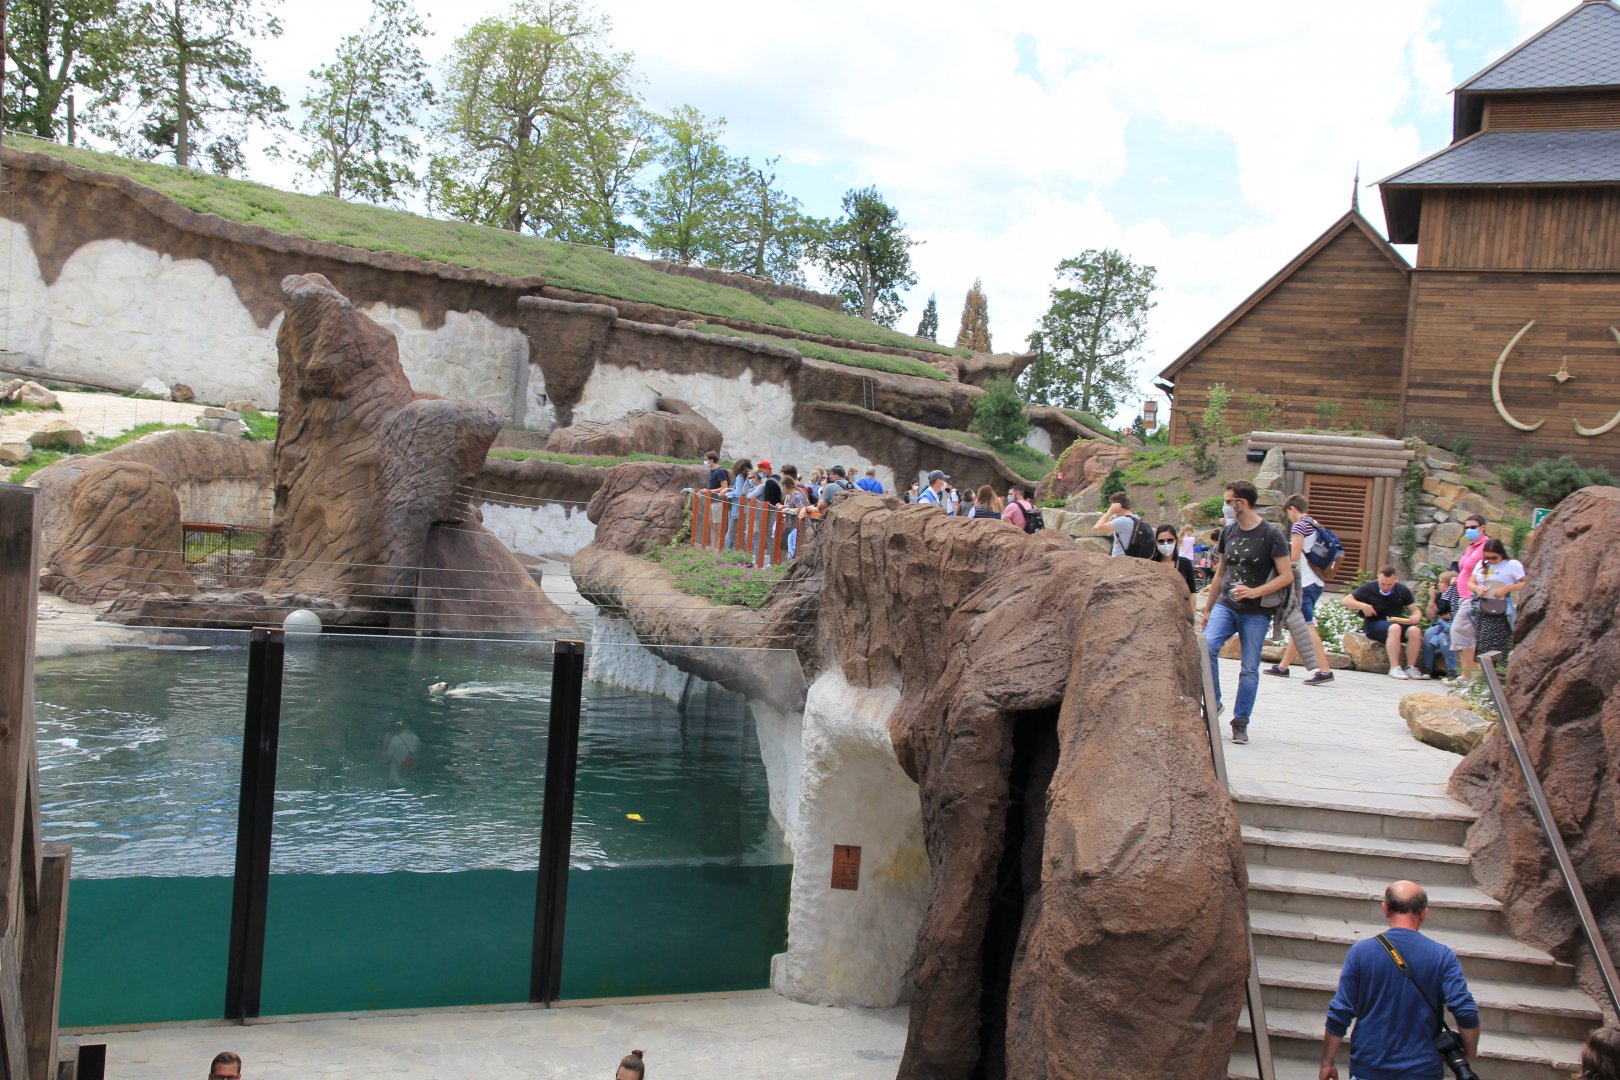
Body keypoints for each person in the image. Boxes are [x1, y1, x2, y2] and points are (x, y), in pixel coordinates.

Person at [1320, 880, 1480, 1080]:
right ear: (1424, 913)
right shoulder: (1442, 956)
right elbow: (1465, 1010)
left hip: (1370, 1068)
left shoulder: (1361, 952)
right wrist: (1469, 1054)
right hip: (1423, 1071)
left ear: (1386, 909)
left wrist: (1327, 1062)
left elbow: (1340, 1012)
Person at [1202, 481, 1294, 745]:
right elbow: (1220, 572)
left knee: (1249, 668)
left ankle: (1240, 721)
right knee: (1206, 646)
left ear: (1241, 503)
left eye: (1228, 501)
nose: (1225, 506)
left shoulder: (1271, 534)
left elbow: (1286, 575)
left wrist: (1256, 591)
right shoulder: (1228, 531)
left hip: (1256, 610)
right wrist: (1208, 607)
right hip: (1226, 605)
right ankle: (1213, 701)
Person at [1266, 495, 1332, 685]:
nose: (1289, 517)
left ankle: (1325, 670)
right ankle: (1283, 667)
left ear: (1293, 509)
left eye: (1288, 513)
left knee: (1307, 625)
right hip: (1317, 581)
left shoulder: (1299, 526)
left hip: (1305, 583)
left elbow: (1294, 557)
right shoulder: (1315, 523)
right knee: (1298, 623)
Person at [1346, 567, 1425, 680]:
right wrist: (1363, 606)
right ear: (1378, 577)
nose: (1386, 587)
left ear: (1395, 580)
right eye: (1383, 584)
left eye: (1390, 584)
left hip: (1396, 620)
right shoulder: (1369, 587)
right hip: (1375, 623)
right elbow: (1347, 600)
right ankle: (1394, 667)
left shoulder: (1402, 590)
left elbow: (1415, 610)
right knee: (1395, 628)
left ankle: (1411, 667)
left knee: (1415, 631)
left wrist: (1416, 616)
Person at [1469, 538, 1525, 663]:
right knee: (1481, 641)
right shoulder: (1481, 564)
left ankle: (1497, 672)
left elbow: (1526, 583)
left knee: (1495, 643)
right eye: (1487, 558)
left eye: (1494, 558)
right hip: (1482, 607)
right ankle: (1483, 675)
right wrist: (1477, 588)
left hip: (1500, 609)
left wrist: (1507, 588)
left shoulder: (1512, 565)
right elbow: (1471, 583)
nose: (1490, 561)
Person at [1450, 515, 1490, 679]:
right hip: (1461, 595)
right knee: (1465, 634)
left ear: (1483, 527)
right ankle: (1469, 675)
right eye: (1466, 527)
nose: (1469, 530)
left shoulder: (1486, 546)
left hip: (1472, 596)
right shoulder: (1471, 546)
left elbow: (1490, 568)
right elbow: (1466, 570)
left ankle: (1469, 675)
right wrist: (1457, 578)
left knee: (1459, 630)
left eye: (1473, 527)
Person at [1422, 569, 1460, 680]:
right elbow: (1431, 616)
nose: (1439, 584)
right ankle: (1427, 668)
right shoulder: (1440, 596)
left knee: (1444, 638)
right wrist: (1432, 600)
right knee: (1429, 633)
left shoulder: (1457, 595)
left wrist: (1448, 616)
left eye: (1442, 582)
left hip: (1451, 627)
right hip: (1440, 625)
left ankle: (1452, 671)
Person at [1093, 491, 1142, 557]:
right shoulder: (1136, 518)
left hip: (1120, 559)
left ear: (1117, 506)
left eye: (1111, 505)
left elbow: (1096, 528)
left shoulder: (1123, 521)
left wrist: (1109, 512)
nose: (1110, 507)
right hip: (1131, 557)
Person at [1152, 523, 1197, 594]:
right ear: (1156, 542)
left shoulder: (1185, 563)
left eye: (1170, 540)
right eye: (1161, 541)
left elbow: (1192, 592)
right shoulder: (1150, 564)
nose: (1166, 544)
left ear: (1175, 541)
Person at [722, 458, 752, 550]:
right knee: (742, 532)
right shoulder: (749, 478)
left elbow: (738, 492)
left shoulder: (739, 477)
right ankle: (740, 550)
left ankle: (739, 550)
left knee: (731, 532)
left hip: (737, 508)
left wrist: (727, 494)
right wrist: (729, 489)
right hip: (746, 508)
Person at [781, 473, 808, 558]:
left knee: (793, 546)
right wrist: (783, 506)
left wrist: (789, 510)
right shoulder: (792, 495)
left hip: (798, 526)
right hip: (794, 525)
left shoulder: (796, 496)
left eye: (782, 486)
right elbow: (790, 505)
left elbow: (801, 508)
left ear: (785, 486)